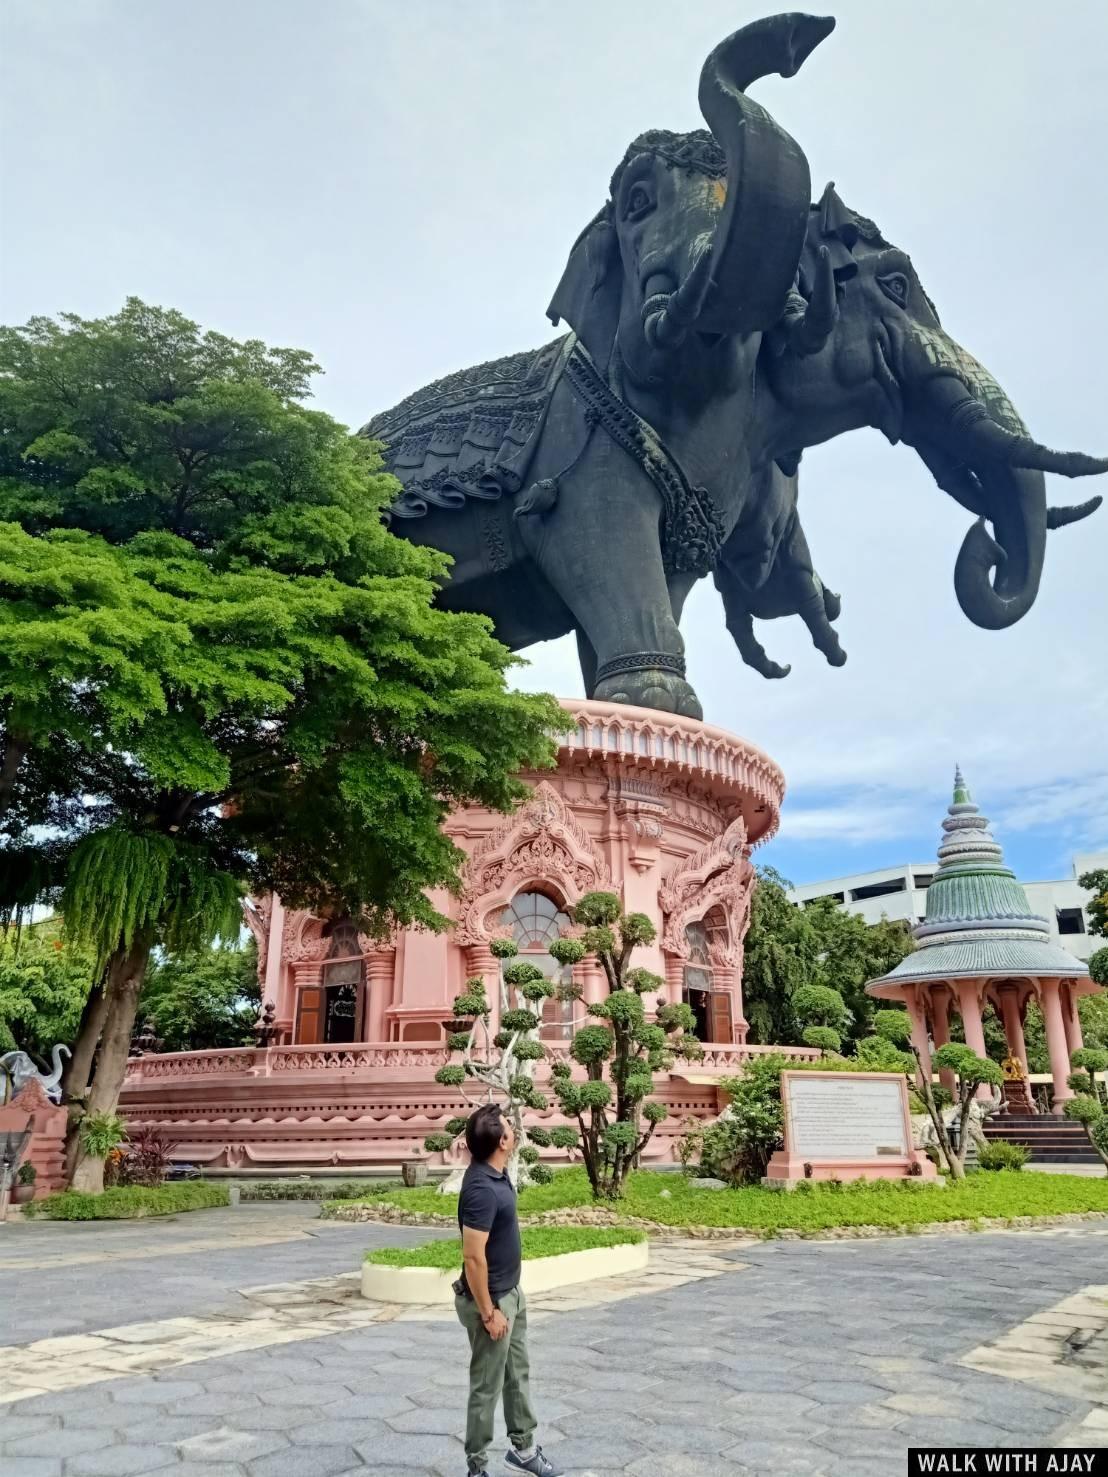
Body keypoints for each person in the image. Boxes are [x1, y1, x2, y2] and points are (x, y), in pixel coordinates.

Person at [454, 1103, 563, 1477]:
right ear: (503, 1141)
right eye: (509, 1128)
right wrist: (489, 1312)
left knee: (518, 1374)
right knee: (487, 1386)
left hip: (510, 1294)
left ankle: (524, 1449)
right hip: (492, 1301)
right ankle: (477, 1466)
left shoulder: (496, 1174)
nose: (515, 1130)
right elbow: (472, 1258)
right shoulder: (481, 1188)